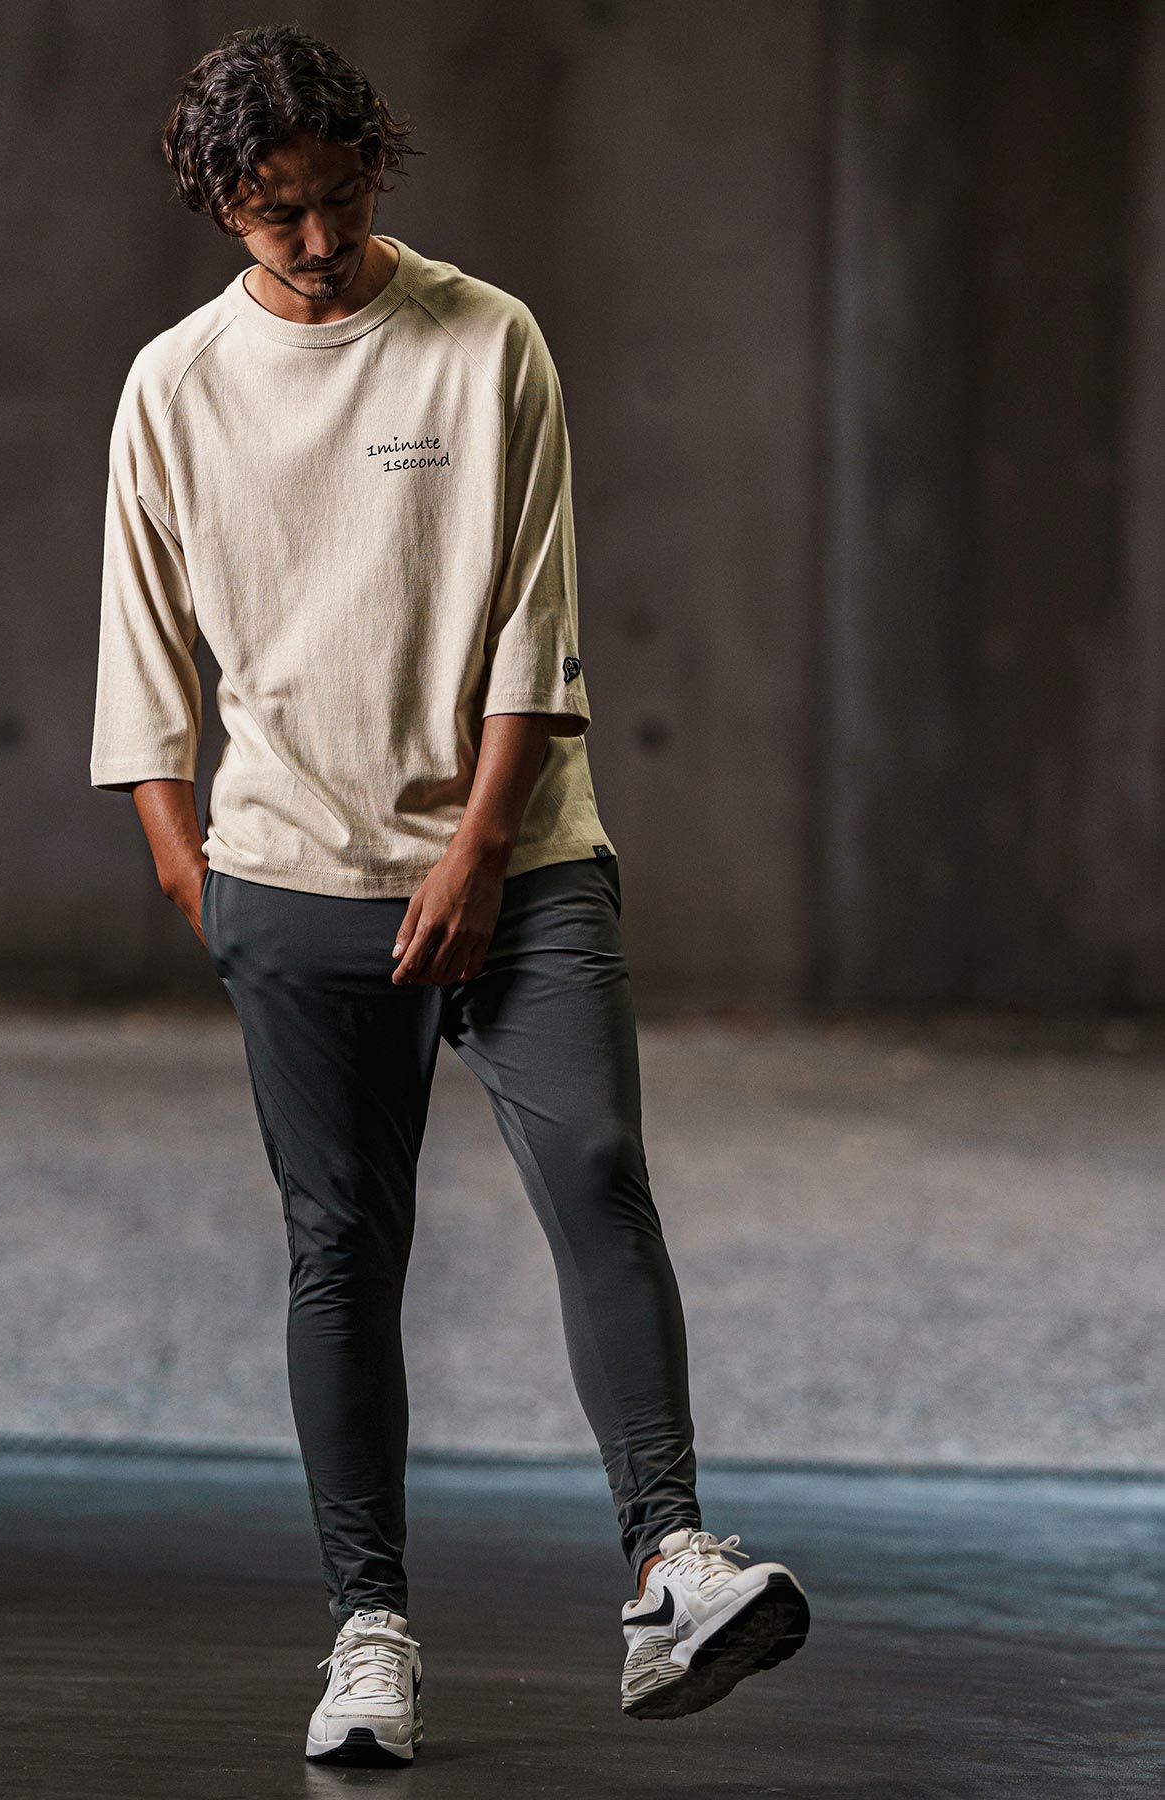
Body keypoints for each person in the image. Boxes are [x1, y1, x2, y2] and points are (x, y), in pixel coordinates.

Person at [90, 23, 809, 1767]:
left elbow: (533, 625)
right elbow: (142, 663)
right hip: (292, 883)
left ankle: (670, 1566)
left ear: (373, 172)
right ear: (219, 203)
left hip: (523, 857)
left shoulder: (488, 340)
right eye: (278, 214)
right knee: (341, 1251)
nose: (319, 241)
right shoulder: (175, 387)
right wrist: (205, 887)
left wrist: (480, 852)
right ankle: (369, 1636)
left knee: (598, 1168)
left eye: (340, 200)